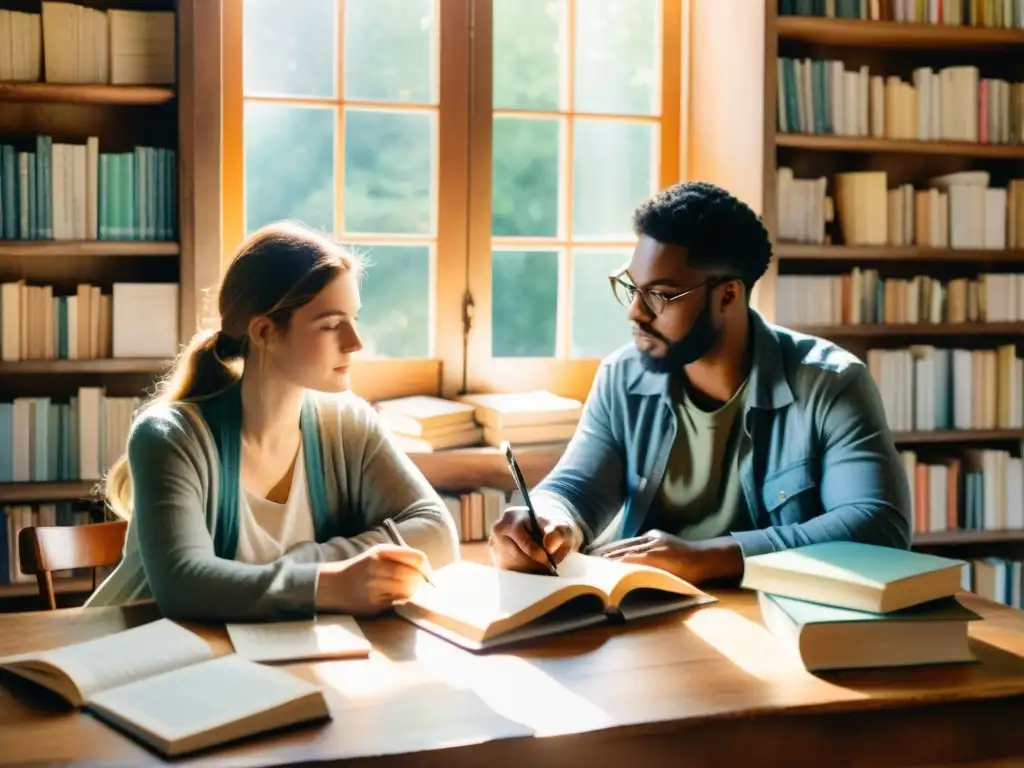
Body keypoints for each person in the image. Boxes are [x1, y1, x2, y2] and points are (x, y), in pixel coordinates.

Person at [490, 181, 912, 584]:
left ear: (728, 295)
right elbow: (577, 487)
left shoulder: (831, 384)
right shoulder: (622, 377)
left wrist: (708, 558)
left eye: (659, 295)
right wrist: (545, 517)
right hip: (646, 613)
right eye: (631, 288)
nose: (636, 313)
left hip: (777, 622)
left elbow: (878, 525)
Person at [88, 222, 460, 621]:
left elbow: (437, 534)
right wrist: (329, 582)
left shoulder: (349, 423)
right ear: (265, 331)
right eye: (332, 324)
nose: (355, 342)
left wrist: (303, 567)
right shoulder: (171, 436)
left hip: (247, 656)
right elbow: (184, 584)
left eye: (353, 318)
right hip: (129, 654)